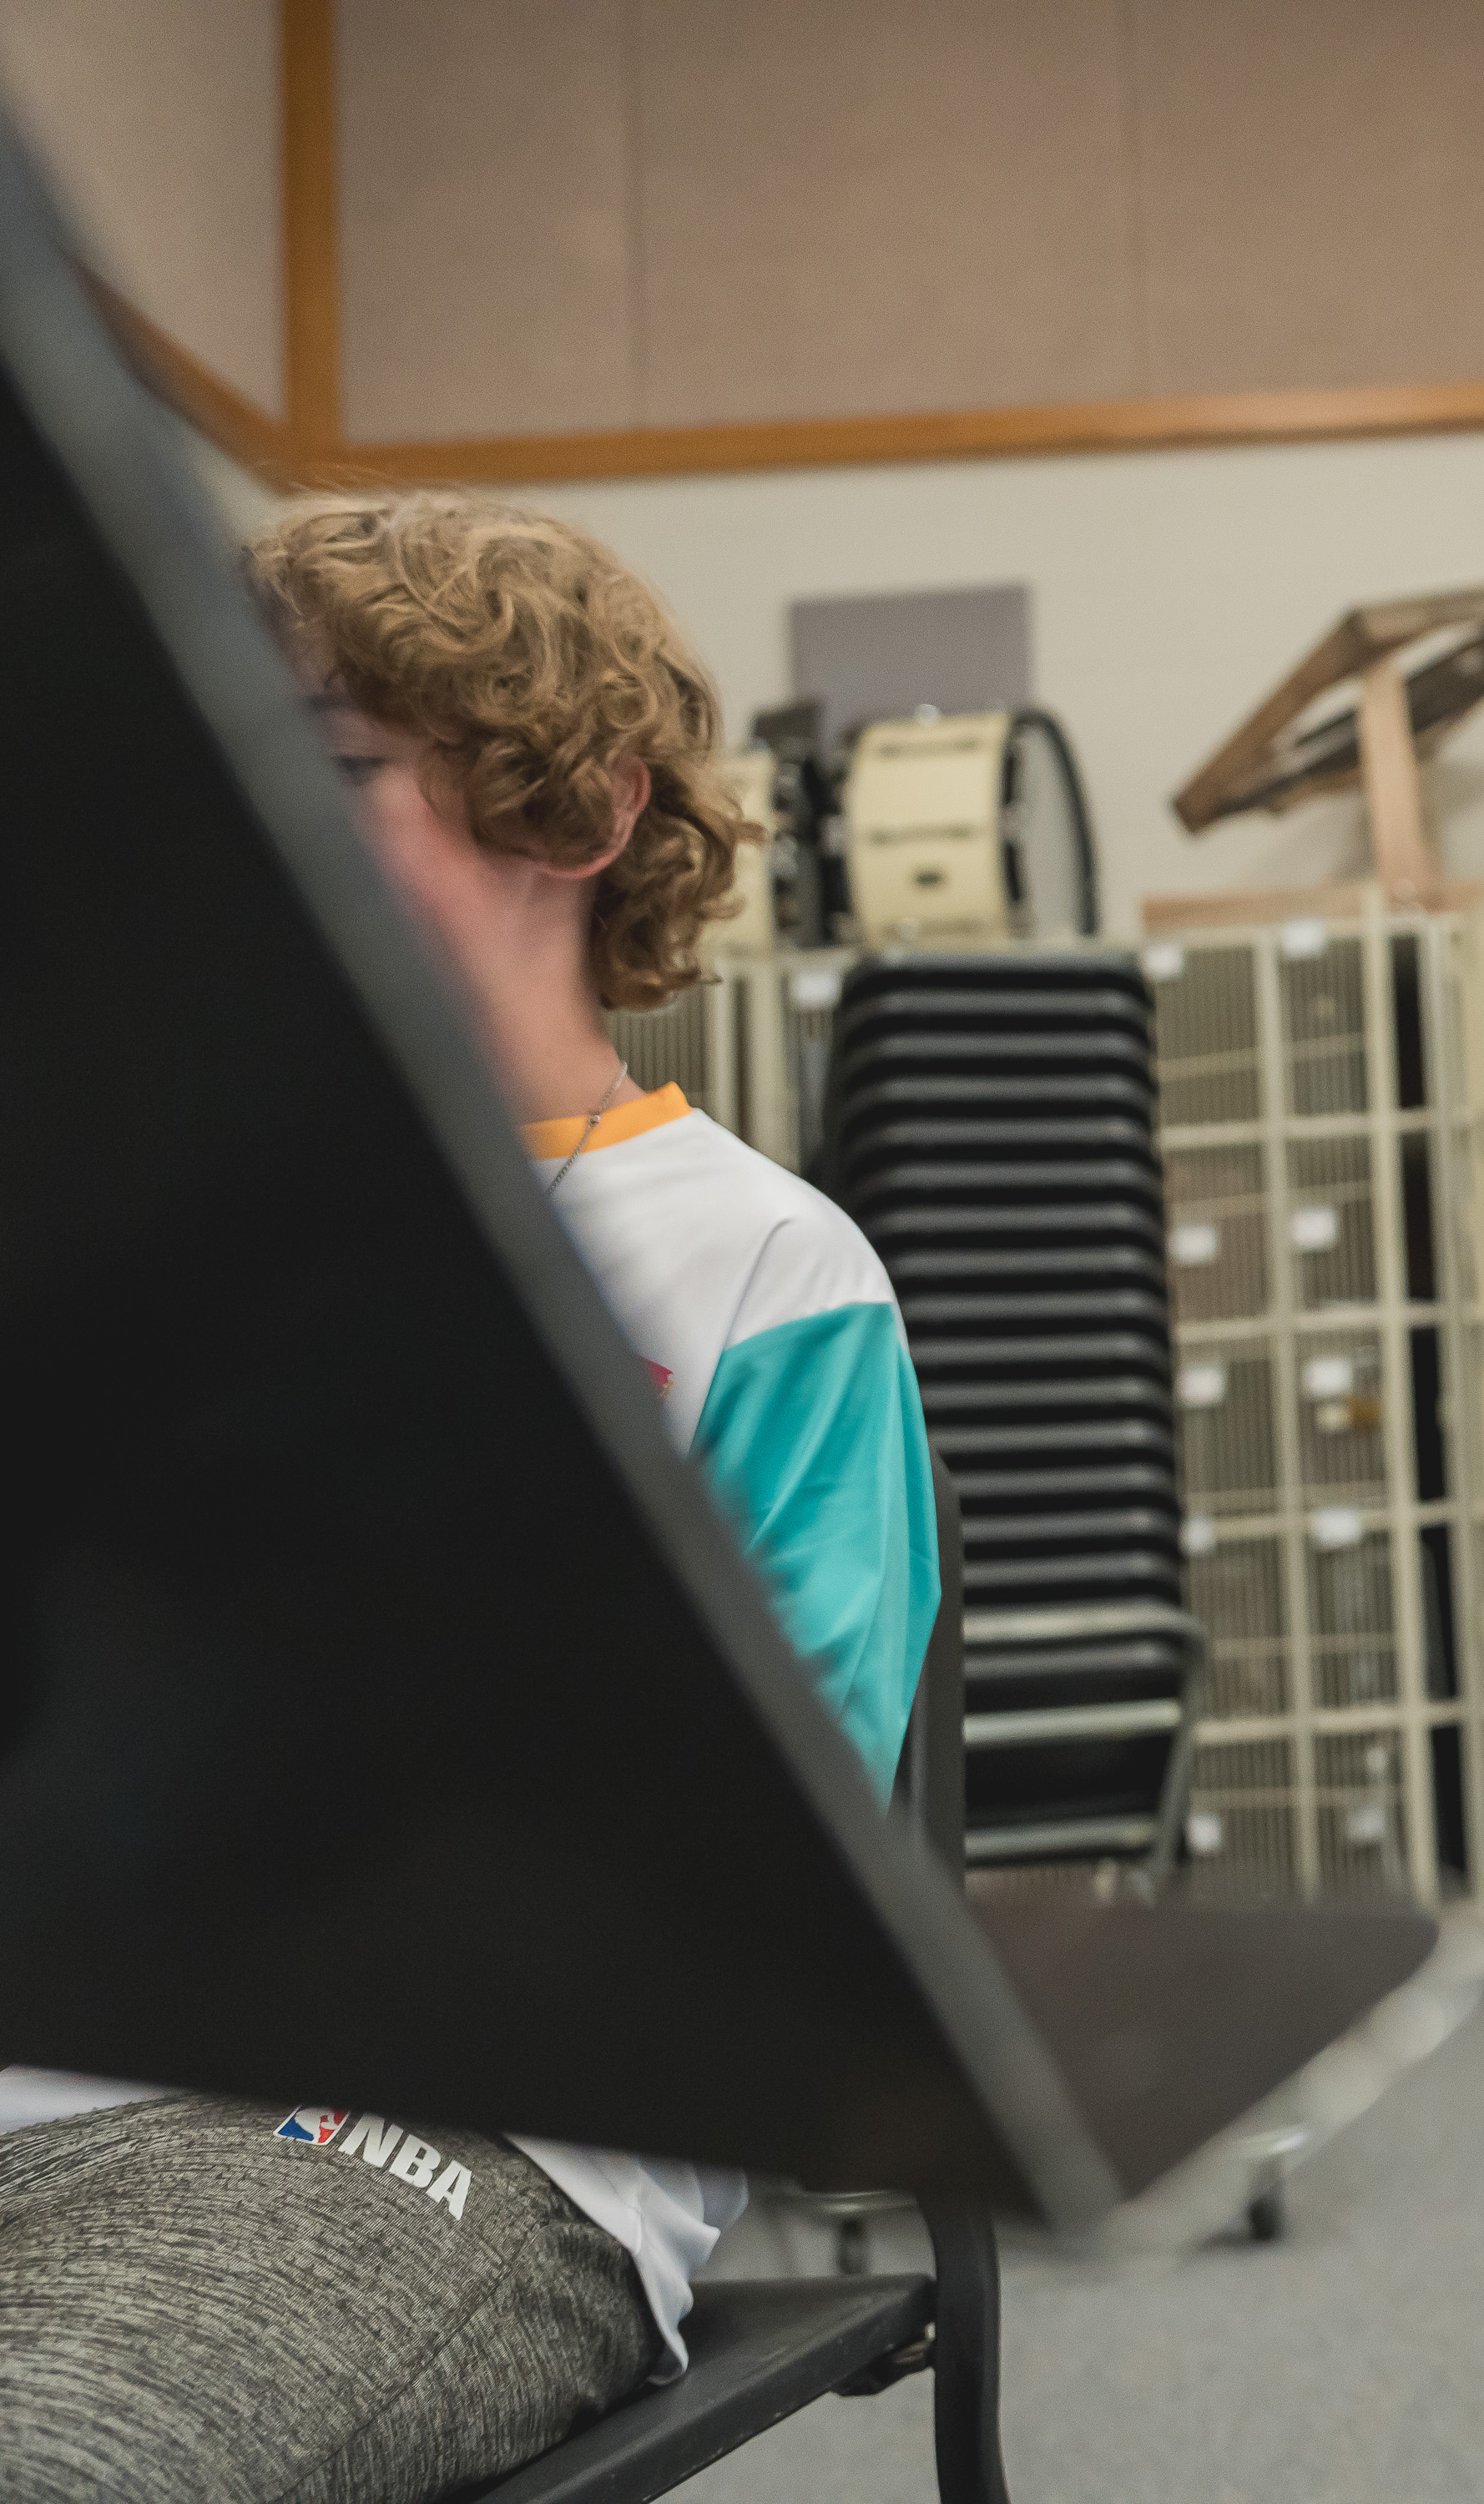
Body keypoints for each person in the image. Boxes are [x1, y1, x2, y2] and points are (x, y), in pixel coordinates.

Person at [0, 492, 937, 2503]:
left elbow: (768, 1908)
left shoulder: (759, 1272)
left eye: (326, 772)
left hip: (438, 2131)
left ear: (580, 816)